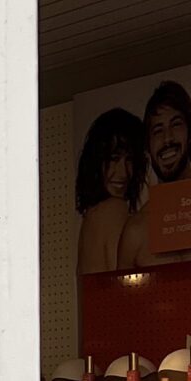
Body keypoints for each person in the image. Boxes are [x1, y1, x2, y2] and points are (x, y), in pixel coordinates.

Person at [119, 80, 191, 268]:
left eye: (176, 125)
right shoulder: (135, 231)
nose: (167, 139)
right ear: (147, 146)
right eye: (158, 131)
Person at [74, 108, 147, 276]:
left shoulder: (92, 215)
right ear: (96, 161)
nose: (123, 172)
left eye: (130, 160)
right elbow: (124, 282)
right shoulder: (114, 209)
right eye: (114, 159)